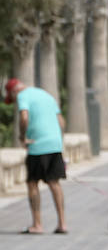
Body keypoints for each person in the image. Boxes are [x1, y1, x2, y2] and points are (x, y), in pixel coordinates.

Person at [6, 78, 68, 234]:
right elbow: (61, 121)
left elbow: (24, 117)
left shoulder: (22, 96)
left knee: (32, 183)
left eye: (11, 98)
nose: (14, 101)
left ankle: (37, 225)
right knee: (54, 183)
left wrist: (22, 136)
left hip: (37, 145)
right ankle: (62, 223)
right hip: (54, 144)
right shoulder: (46, 95)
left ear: (14, 91)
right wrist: (57, 140)